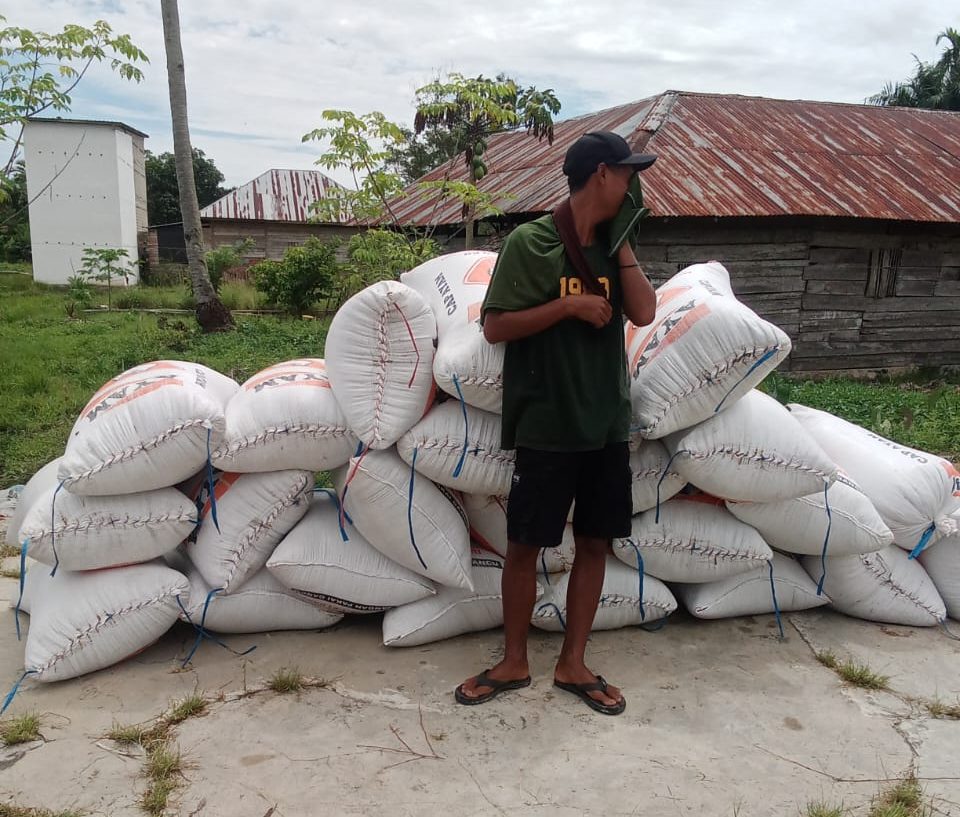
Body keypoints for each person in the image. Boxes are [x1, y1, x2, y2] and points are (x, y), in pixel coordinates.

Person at [455, 131, 658, 715]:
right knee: (525, 546)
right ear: (602, 174)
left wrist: (622, 243)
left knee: (594, 543)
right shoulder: (533, 242)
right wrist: (569, 306)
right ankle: (514, 661)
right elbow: (496, 326)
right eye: (627, 174)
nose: (632, 185)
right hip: (547, 422)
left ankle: (573, 663)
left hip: (605, 423)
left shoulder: (615, 246)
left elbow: (644, 311)